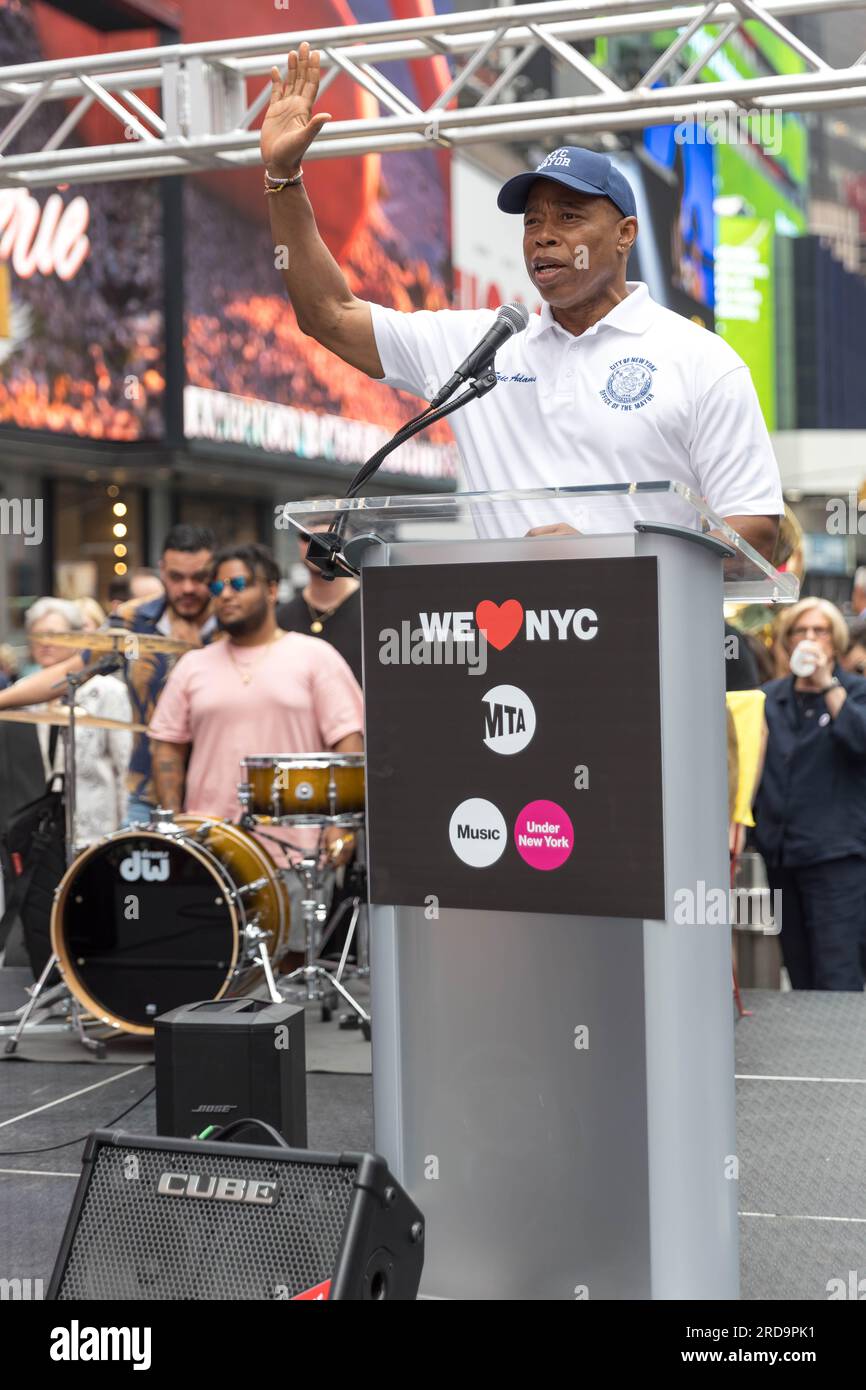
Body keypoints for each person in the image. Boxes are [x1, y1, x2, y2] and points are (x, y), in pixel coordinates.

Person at [260, 44, 782, 557]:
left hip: (645, 638)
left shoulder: (701, 359)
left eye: (568, 217)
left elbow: (756, 530)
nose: (543, 236)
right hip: (509, 633)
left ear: (626, 234)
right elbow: (328, 314)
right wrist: (283, 181)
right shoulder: (480, 347)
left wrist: (608, 557)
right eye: (532, 221)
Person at [0, 525, 219, 824]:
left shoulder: (232, 620)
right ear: (162, 570)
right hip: (148, 792)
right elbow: (70, 672)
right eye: (176, 577)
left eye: (200, 577)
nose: (188, 588)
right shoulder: (133, 620)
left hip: (219, 789)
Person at [149, 541, 363, 821]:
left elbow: (348, 744)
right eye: (216, 588)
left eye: (238, 584)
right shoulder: (193, 665)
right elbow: (167, 747)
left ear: (271, 590)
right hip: (210, 841)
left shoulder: (315, 656)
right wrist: (174, 821)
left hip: (298, 843)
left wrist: (342, 826)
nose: (225, 595)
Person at [753, 598, 866, 990]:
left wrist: (827, 685)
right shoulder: (768, 698)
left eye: (819, 631)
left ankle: (841, 1052)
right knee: (798, 968)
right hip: (782, 854)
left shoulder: (854, 693)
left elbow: (861, 740)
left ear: (833, 642)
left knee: (837, 970)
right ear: (787, 641)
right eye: (801, 631)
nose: (810, 638)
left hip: (835, 857)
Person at [22, 598, 133, 844]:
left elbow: (124, 767)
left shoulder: (106, 691)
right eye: (37, 634)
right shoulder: (23, 693)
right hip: (38, 832)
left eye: (54, 634)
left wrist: (125, 834)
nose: (45, 642)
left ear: (77, 637)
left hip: (95, 832)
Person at [276, 519, 362, 683]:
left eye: (327, 538)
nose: (316, 545)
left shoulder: (371, 606)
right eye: (306, 537)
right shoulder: (281, 617)